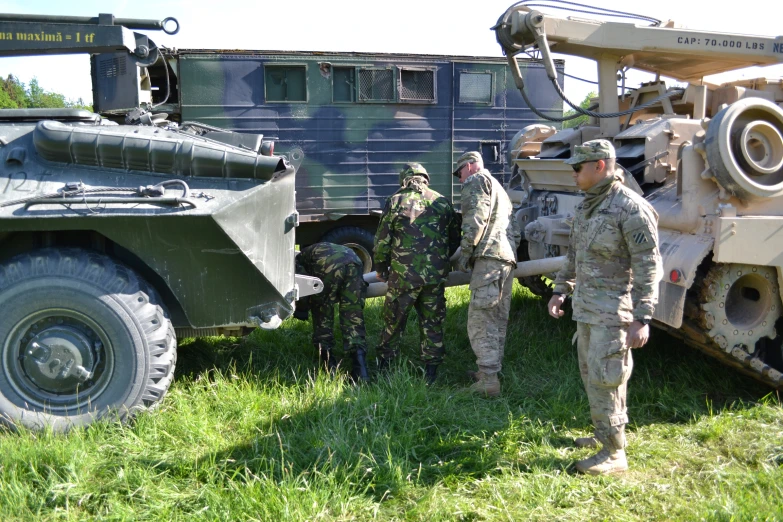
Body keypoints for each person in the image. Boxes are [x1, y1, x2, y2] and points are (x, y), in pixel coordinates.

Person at [547, 139, 661, 475]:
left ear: (599, 165)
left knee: (608, 378)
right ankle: (602, 434)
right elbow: (574, 255)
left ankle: (614, 453)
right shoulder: (587, 207)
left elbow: (648, 265)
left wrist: (643, 317)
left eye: (577, 168)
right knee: (592, 376)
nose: (573, 175)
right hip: (586, 310)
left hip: (614, 314)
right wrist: (560, 290)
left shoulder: (631, 208)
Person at [374, 163, 460, 384]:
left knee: (394, 321)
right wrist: (440, 262)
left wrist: (382, 269)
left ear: (404, 179)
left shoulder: (395, 201)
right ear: (425, 178)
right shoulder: (442, 201)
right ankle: (431, 373)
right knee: (432, 322)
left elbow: (382, 241)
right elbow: (454, 239)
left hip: (404, 276)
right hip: (434, 276)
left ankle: (384, 367)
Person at [454, 151, 521, 397]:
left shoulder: (476, 180)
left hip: (489, 259)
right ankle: (489, 371)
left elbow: (474, 220)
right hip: (505, 259)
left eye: (460, 172)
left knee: (481, 320)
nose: (460, 179)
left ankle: (488, 381)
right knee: (497, 317)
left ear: (470, 166)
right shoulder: (500, 190)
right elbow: (515, 229)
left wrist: (464, 255)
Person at [295, 242, 369, 382]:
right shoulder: (317, 249)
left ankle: (329, 366)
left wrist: (302, 308)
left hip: (327, 265)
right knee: (353, 314)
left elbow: (301, 286)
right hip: (354, 261)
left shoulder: (297, 260)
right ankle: (360, 371)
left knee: (322, 311)